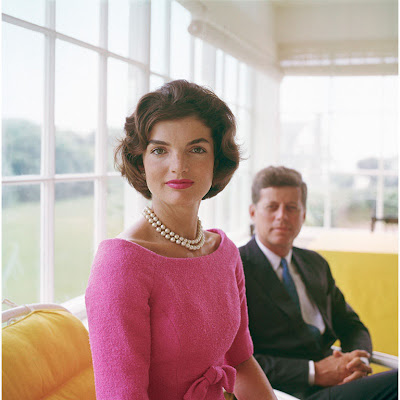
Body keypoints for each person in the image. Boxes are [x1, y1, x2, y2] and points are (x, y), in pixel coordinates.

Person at [85, 80, 277, 400]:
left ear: (217, 160)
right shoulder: (120, 265)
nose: (178, 166)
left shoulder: (225, 253)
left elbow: (241, 362)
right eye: (159, 150)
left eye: (196, 149)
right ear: (141, 161)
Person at [239, 166, 398, 400]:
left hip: (341, 383)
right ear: (253, 212)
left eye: (292, 208)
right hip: (288, 392)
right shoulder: (235, 268)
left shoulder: (314, 264)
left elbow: (352, 325)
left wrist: (356, 361)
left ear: (303, 215)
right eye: (272, 207)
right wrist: (314, 372)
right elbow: (235, 360)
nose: (282, 216)